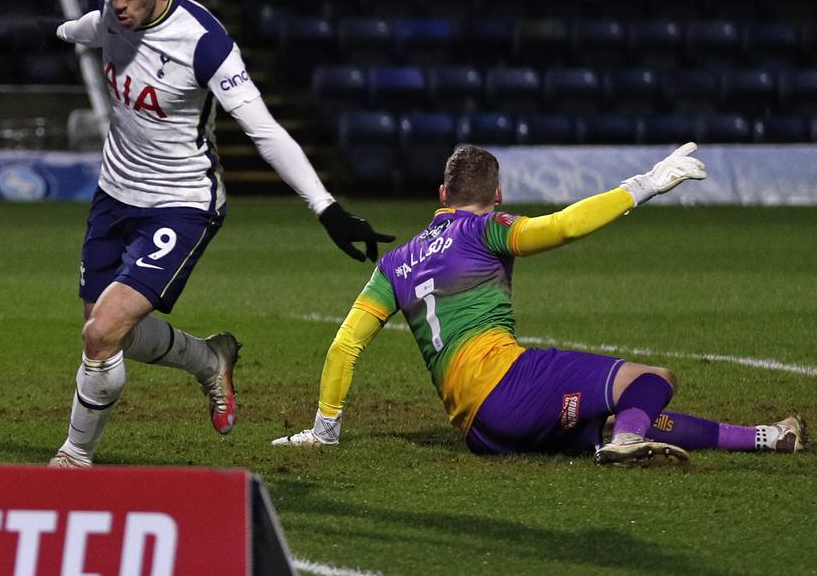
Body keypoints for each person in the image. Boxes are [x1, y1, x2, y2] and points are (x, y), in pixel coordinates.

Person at [44, 0, 394, 468]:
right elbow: (87, 26)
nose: (119, 3)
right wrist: (58, 31)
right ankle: (209, 360)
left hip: (182, 204)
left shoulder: (204, 43)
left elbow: (263, 129)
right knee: (110, 333)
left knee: (101, 334)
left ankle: (74, 458)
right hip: (114, 195)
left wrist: (326, 207)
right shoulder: (113, 13)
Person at [273, 144, 805, 465]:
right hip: (510, 385)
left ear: (441, 194)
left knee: (614, 418)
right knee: (654, 380)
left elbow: (345, 346)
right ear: (498, 195)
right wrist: (641, 187)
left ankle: (767, 438)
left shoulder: (396, 263)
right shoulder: (486, 230)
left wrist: (324, 429)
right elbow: (563, 226)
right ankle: (627, 443)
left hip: (480, 432)